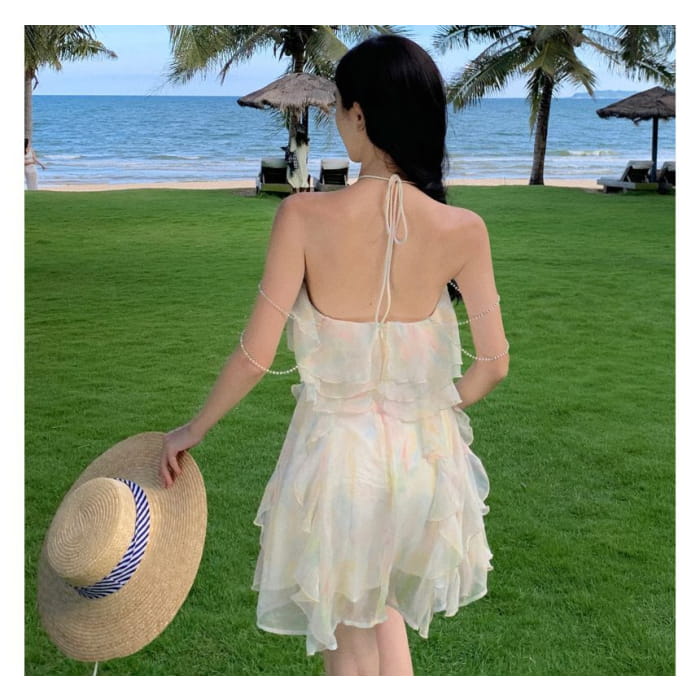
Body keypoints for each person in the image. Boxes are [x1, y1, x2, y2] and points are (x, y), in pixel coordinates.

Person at [160, 34, 509, 676]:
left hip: (340, 465)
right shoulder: (463, 229)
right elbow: (493, 365)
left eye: (338, 109)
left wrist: (192, 429)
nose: (336, 121)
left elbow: (254, 356)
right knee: (383, 614)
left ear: (360, 115)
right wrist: (425, 409)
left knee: (347, 647)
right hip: (425, 465)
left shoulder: (304, 216)